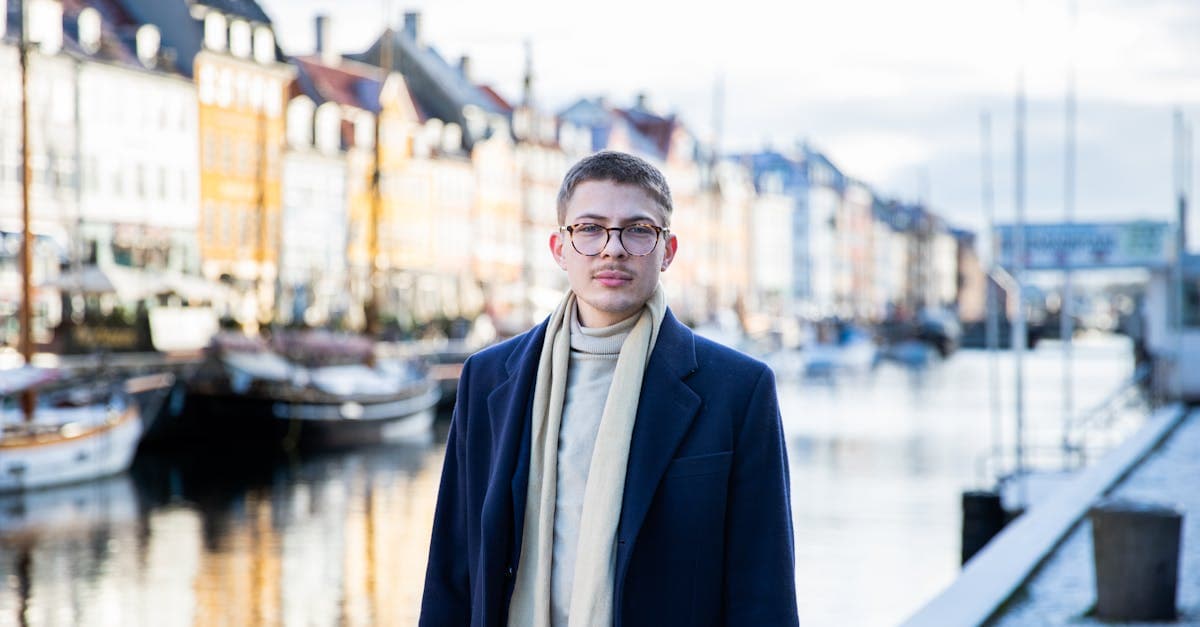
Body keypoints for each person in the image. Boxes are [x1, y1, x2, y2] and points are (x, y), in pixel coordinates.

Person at [420, 150, 798, 626]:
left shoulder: (738, 390)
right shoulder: (488, 378)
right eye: (590, 228)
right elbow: (452, 572)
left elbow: (764, 590)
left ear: (668, 251)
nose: (612, 248)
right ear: (560, 248)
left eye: (639, 230)